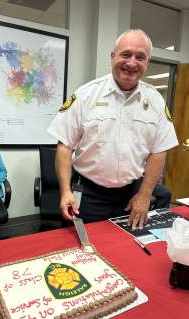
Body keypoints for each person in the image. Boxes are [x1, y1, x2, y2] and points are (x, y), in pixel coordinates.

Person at [48, 29, 178, 229]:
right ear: (112, 56)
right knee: (83, 252)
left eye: (140, 57)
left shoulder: (155, 101)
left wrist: (144, 195)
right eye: (125, 54)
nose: (132, 63)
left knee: (127, 249)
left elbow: (159, 151)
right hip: (88, 194)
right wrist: (65, 191)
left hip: (131, 194)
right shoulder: (86, 95)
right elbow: (65, 145)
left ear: (147, 62)